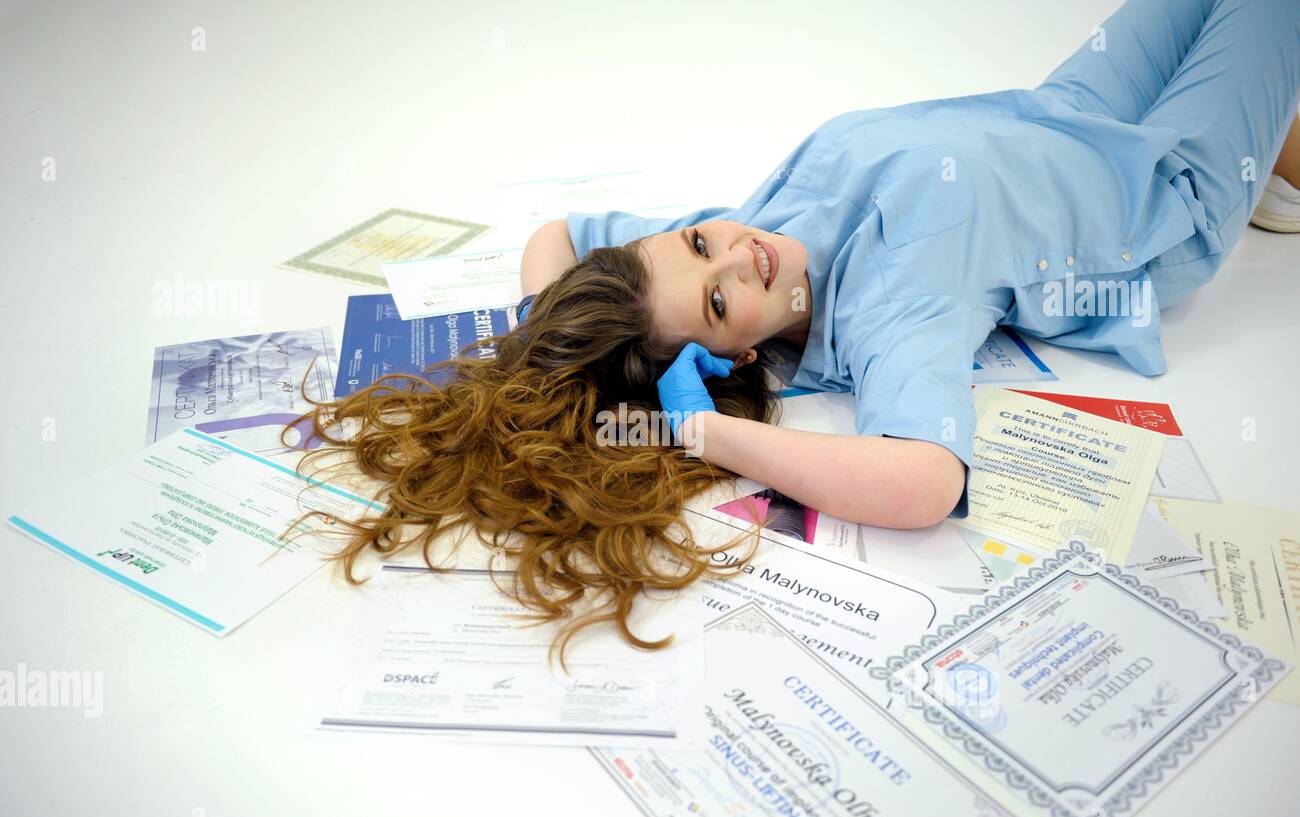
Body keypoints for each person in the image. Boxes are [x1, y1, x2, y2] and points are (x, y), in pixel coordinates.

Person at [294, 0, 1300, 667]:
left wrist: (555, 344)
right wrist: (700, 435)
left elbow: (555, 233)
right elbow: (926, 482)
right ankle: (1259, 166)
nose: (738, 257)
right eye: (719, 301)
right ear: (722, 355)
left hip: (1067, 115)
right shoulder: (894, 302)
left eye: (696, 242)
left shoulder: (742, 227)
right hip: (1169, 198)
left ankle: (1278, 150)